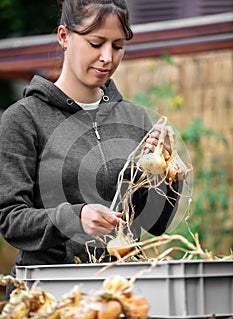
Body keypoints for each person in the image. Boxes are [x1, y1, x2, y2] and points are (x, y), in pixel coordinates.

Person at [0, 0, 181, 298]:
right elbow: (10, 219)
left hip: (123, 291)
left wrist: (165, 167)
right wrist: (75, 217)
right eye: (96, 43)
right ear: (64, 37)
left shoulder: (135, 118)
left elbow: (158, 223)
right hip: (47, 295)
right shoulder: (23, 119)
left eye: (118, 46)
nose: (107, 58)